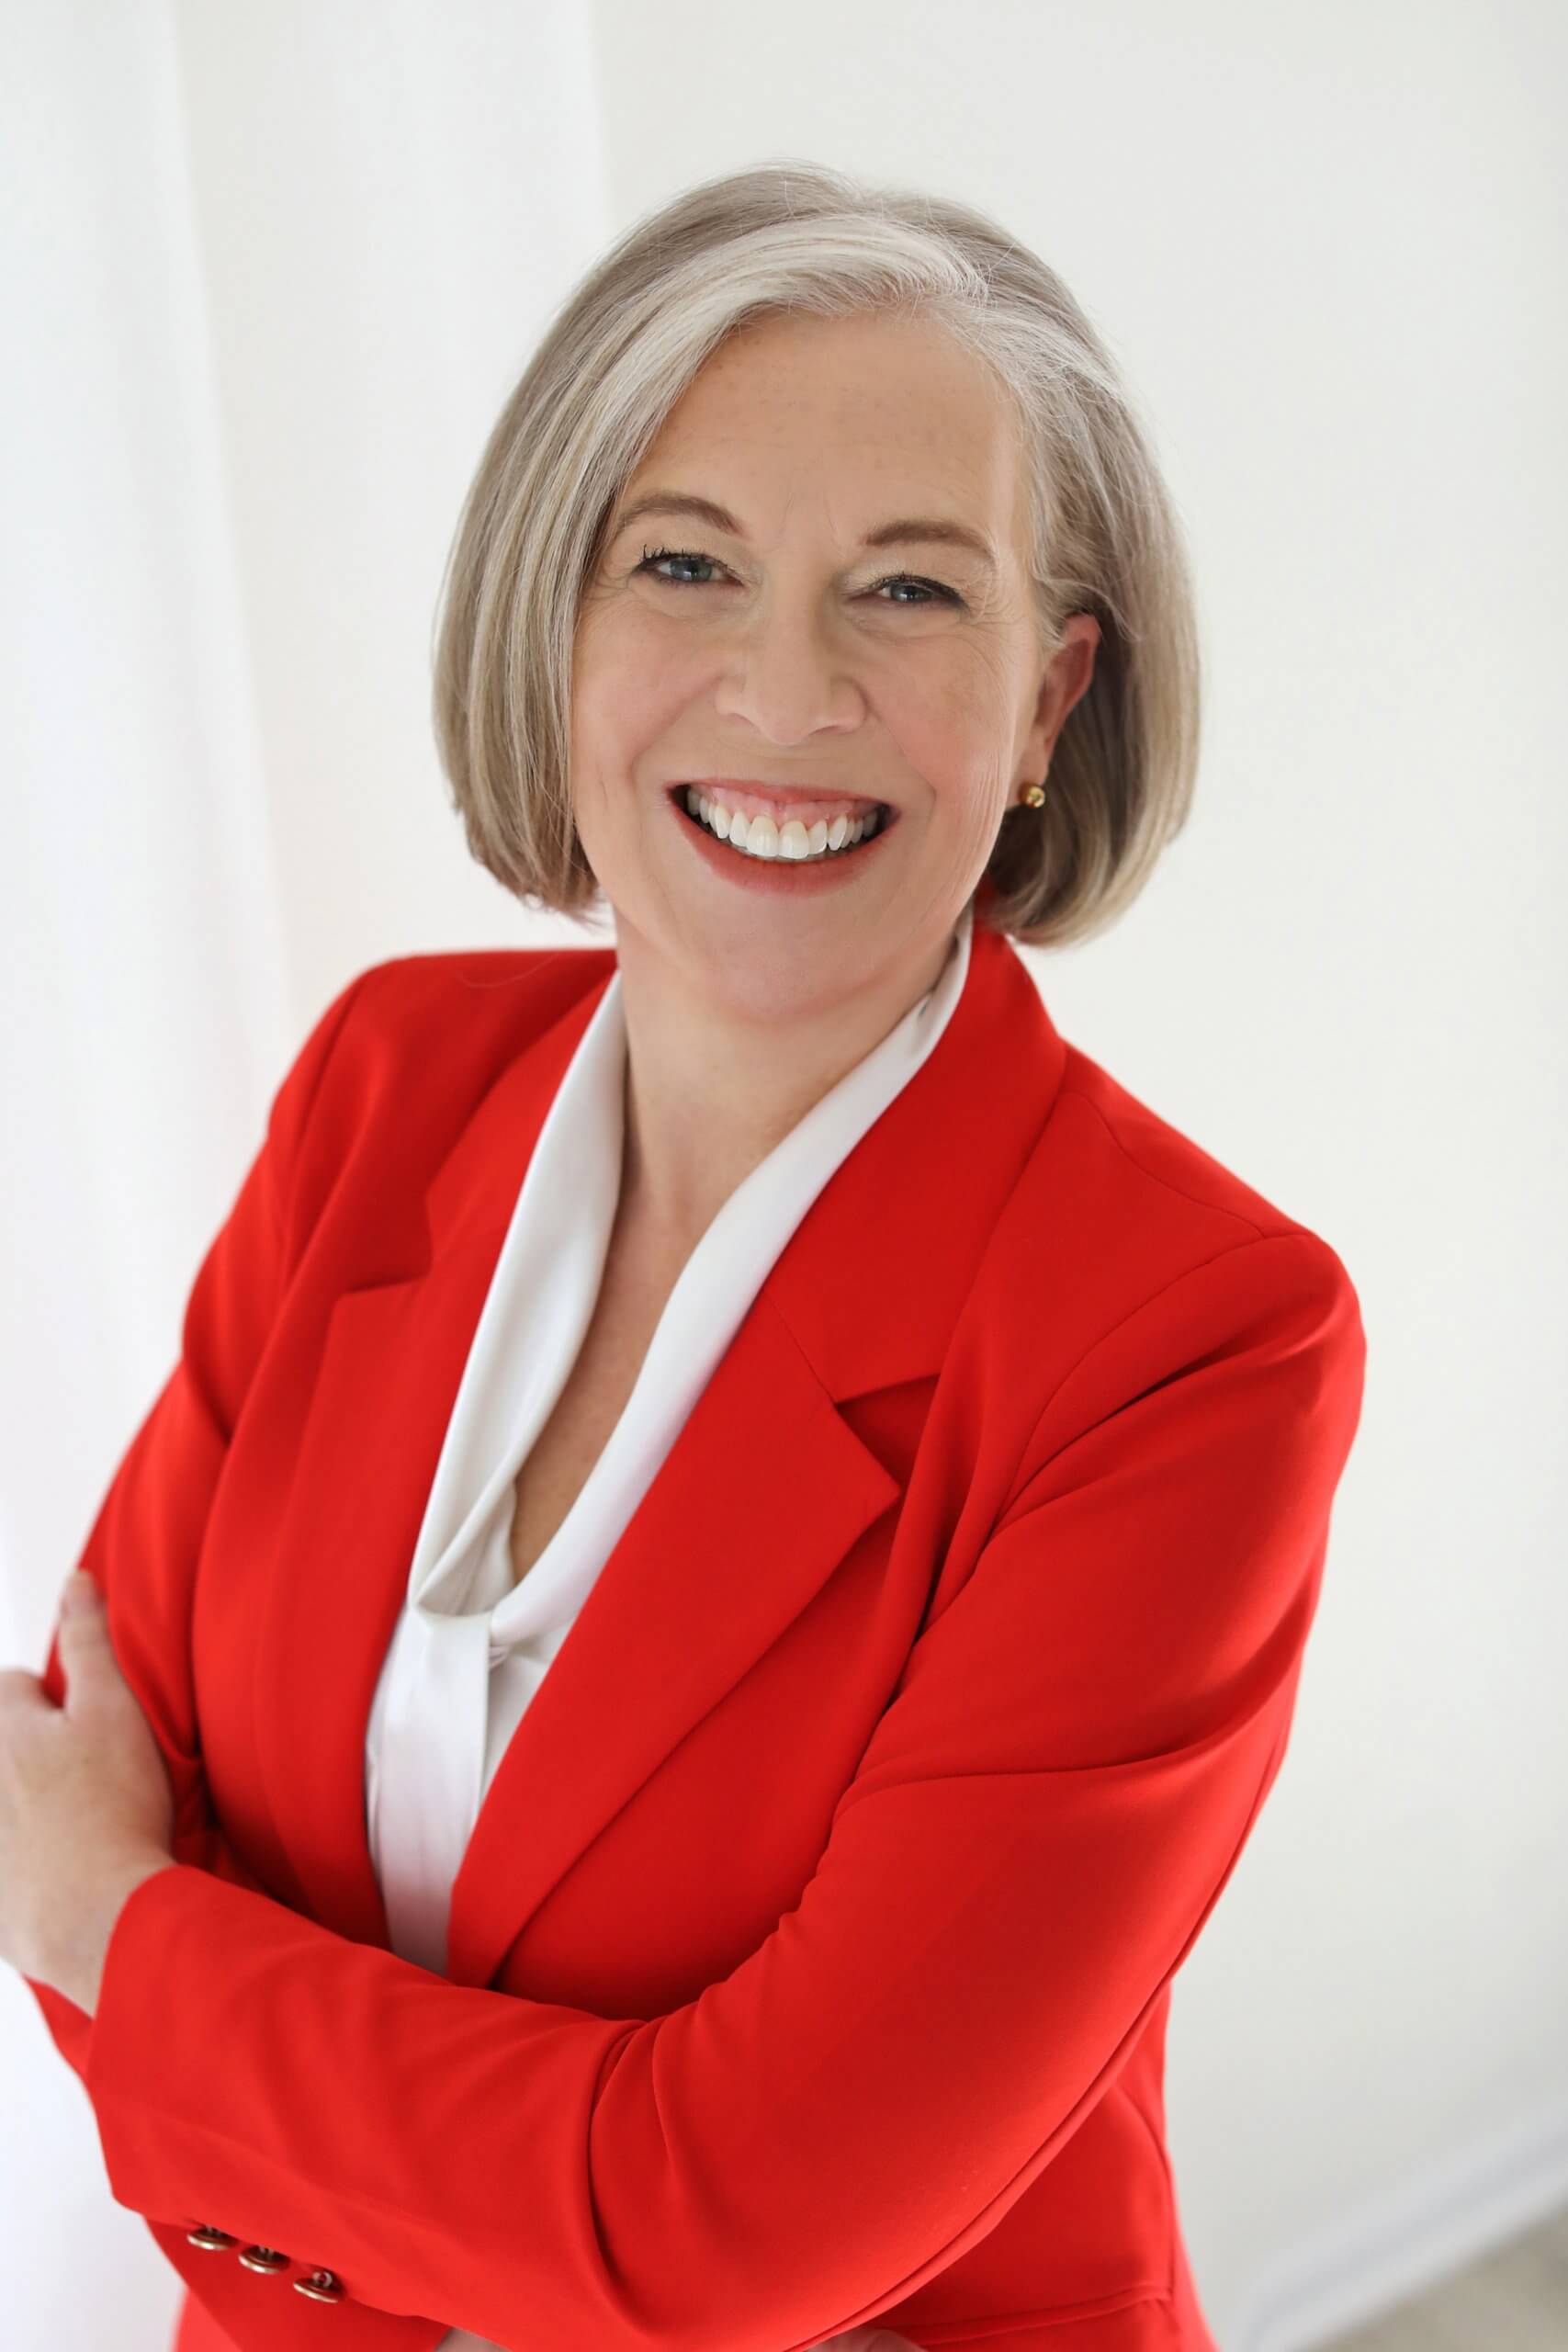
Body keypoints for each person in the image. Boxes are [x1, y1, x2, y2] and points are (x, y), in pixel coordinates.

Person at [6, 161, 1367, 2352]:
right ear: (556, 633)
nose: (783, 687)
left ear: (1046, 700)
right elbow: (89, 1778)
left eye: (909, 593)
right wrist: (122, 1921)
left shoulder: (1189, 1338)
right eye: (683, 563)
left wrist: (120, 1930)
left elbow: (728, 2221)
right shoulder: (385, 1082)